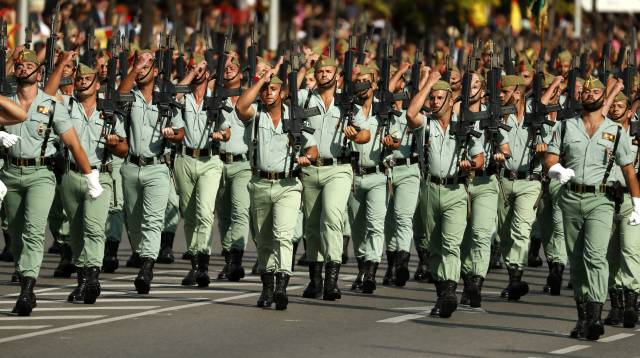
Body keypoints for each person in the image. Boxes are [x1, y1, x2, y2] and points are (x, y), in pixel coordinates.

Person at [2, 49, 100, 316]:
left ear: (38, 72)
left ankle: (27, 290)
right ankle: (25, 279)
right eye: (19, 65)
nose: (23, 69)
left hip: (41, 175)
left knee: (33, 231)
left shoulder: (51, 105)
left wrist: (90, 174)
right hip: (10, 173)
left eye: (28, 65)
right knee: (16, 232)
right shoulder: (5, 101)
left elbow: (72, 142)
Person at [545, 76, 640, 341]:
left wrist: (637, 207)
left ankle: (596, 316)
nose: (589, 94)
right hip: (571, 198)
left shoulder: (617, 131)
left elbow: (629, 172)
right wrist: (557, 170)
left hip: (601, 200)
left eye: (595, 90)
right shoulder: (565, 127)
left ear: (603, 97)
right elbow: (550, 159)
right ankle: (583, 317)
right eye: (585, 91)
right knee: (576, 261)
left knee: (596, 256)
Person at [235, 71, 318, 310]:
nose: (268, 93)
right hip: (260, 183)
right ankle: (267, 287)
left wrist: (306, 158)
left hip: (288, 185)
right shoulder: (256, 116)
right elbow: (241, 105)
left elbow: (312, 149)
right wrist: (261, 79)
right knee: (263, 239)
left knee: (283, 235)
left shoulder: (295, 117)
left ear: (282, 93)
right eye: (265, 90)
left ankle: (281, 286)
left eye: (273, 89)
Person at [407, 77, 484, 318]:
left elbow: (479, 157)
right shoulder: (426, 124)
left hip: (456, 190)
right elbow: (411, 114)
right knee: (433, 246)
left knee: (451, 243)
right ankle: (442, 292)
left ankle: (449, 291)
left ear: (452, 101)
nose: (436, 101)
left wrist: (470, 163)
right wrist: (429, 83)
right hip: (430, 188)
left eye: (441, 98)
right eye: (433, 98)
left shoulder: (464, 126)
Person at [296, 55, 370, 301]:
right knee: (312, 224)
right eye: (320, 72)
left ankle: (332, 280)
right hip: (310, 168)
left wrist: (354, 136)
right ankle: (315, 280)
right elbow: (287, 104)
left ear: (337, 76)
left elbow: (365, 135)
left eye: (329, 71)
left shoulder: (348, 104)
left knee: (332, 217)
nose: (324, 75)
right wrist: (303, 67)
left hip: (338, 168)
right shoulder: (304, 98)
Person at [117, 50, 185, 294]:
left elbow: (180, 132)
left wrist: (172, 134)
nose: (142, 69)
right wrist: (135, 67)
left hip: (157, 167)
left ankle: (147, 267)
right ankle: (142, 253)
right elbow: (119, 94)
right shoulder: (131, 96)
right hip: (132, 166)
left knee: (153, 220)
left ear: (155, 72)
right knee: (134, 221)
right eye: (139, 66)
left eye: (147, 66)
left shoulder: (166, 99)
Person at [62, 63, 128, 304]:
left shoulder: (109, 112)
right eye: (78, 78)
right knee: (76, 231)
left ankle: (92, 278)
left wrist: (114, 143)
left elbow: (123, 149)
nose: (81, 82)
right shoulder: (66, 108)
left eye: (87, 78)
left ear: (97, 84)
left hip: (100, 175)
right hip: (72, 175)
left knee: (94, 227)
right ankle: (81, 281)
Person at [174, 55, 229, 287]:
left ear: (209, 73)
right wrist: (191, 72)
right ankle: (194, 263)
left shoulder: (215, 99)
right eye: (194, 68)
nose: (198, 72)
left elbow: (227, 130)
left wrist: (221, 134)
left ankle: (202, 265)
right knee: (189, 214)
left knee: (205, 213)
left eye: (202, 68)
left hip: (209, 160)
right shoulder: (182, 97)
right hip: (185, 158)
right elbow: (172, 96)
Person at [603, 92, 640, 328]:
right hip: (605, 198)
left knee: (630, 250)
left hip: (629, 199)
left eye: (621, 106)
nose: (615, 109)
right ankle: (615, 305)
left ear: (629, 112)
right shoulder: (601, 135)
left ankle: (630, 302)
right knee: (609, 254)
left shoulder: (636, 137)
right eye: (612, 105)